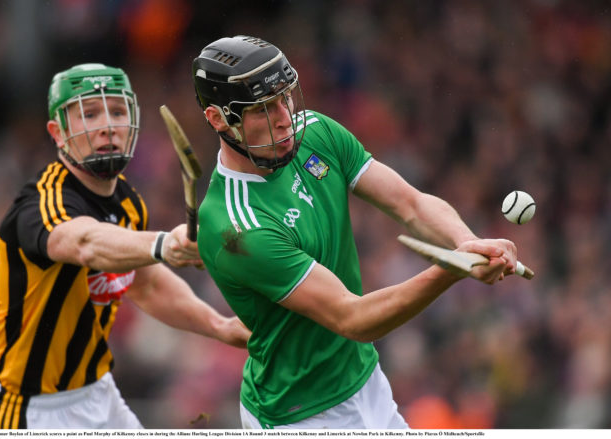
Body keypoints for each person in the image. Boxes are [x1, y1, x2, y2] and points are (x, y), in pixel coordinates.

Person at [191, 36, 520, 429]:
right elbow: (353, 317)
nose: (284, 116)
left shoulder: (315, 133)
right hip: (298, 414)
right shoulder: (236, 228)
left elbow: (410, 203)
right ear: (217, 119)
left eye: (285, 97)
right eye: (264, 108)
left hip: (365, 380)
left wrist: (465, 242)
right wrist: (452, 268)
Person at [0, 63, 250, 429]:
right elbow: (84, 242)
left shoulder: (128, 203)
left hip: (98, 393)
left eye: (117, 111)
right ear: (57, 132)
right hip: (25, 410)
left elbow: (146, 284)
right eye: (89, 113)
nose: (108, 125)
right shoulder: (41, 202)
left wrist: (220, 326)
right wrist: (163, 243)